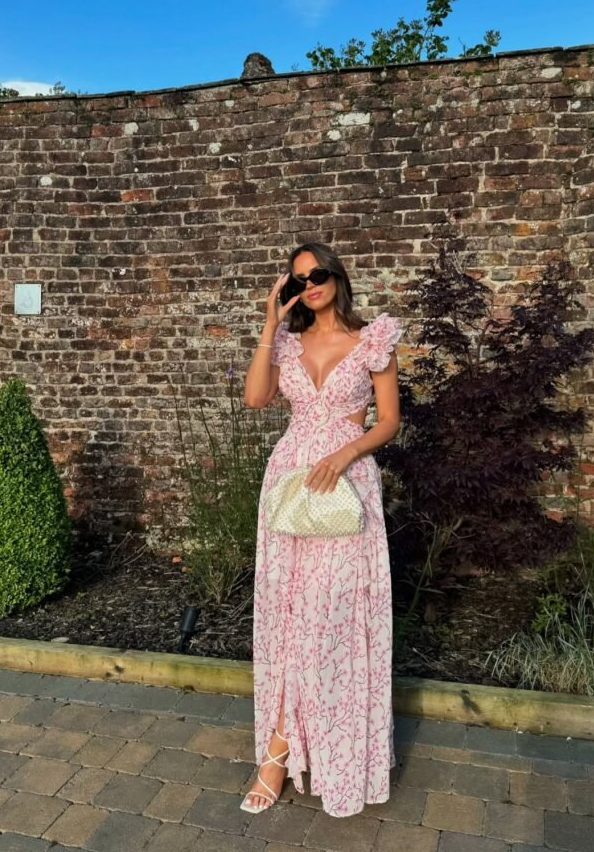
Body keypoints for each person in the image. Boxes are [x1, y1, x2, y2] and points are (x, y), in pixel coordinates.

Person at [241, 241, 403, 818]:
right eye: (297, 281)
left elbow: (389, 421)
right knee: (288, 617)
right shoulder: (285, 342)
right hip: (287, 485)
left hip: (346, 485)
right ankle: (277, 754)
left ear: (336, 276)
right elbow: (256, 398)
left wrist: (346, 452)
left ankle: (329, 752)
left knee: (330, 619)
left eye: (316, 275)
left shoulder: (373, 340)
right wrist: (269, 322)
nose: (308, 284)